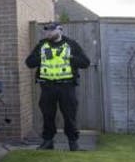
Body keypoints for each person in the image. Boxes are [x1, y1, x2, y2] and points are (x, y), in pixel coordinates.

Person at [24, 22, 91, 151]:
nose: (48, 33)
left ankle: (73, 143)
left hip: (67, 87)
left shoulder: (71, 44)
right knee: (47, 115)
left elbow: (85, 62)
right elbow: (29, 62)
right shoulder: (42, 45)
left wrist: (70, 58)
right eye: (46, 31)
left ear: (60, 30)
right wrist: (42, 58)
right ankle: (48, 142)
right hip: (47, 87)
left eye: (51, 30)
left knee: (69, 115)